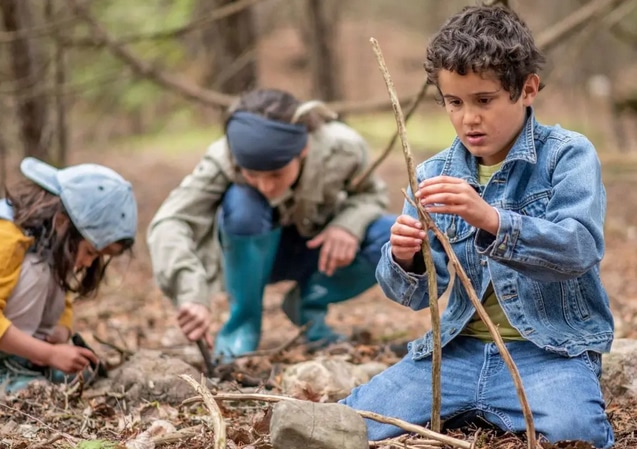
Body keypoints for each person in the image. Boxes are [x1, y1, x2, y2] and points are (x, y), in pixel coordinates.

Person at [340, 5, 614, 448]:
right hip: (456, 354)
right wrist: (406, 257)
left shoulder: (568, 155)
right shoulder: (434, 172)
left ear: (527, 90)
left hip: (549, 353)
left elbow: (579, 249)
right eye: (454, 102)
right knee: (349, 423)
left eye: (483, 100)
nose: (468, 118)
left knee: (576, 435)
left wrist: (490, 219)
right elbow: (412, 297)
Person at [147, 88, 395, 361]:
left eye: (277, 174)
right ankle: (241, 329)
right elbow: (170, 220)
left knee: (394, 236)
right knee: (243, 202)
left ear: (303, 149)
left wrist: (348, 225)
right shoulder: (223, 157)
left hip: (317, 250)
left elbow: (372, 194)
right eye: (252, 174)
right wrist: (191, 292)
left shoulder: (344, 148)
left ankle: (308, 304)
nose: (265, 186)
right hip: (248, 256)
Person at [0, 157, 138, 393]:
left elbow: (64, 305)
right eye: (90, 252)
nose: (86, 262)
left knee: (51, 267)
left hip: (25, 342)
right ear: (63, 223)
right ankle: (8, 369)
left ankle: (28, 362)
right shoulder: (7, 237)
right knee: (39, 268)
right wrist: (50, 353)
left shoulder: (47, 241)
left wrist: (59, 336)